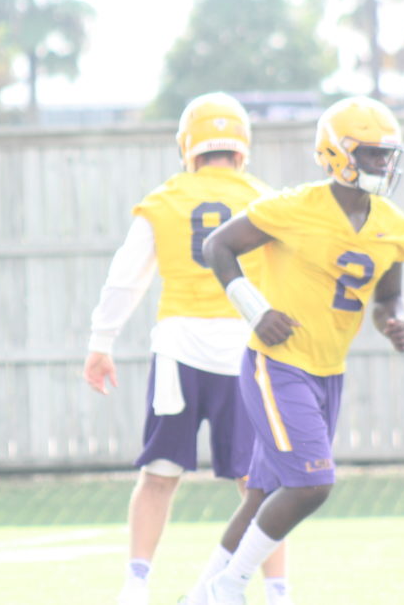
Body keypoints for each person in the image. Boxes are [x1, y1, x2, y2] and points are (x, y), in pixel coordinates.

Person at [185, 96, 404, 604]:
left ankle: (198, 596)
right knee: (312, 483)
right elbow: (217, 247)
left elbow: (387, 295)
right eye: (372, 154)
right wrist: (255, 309)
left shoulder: (392, 226)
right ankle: (227, 588)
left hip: (328, 370)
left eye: (387, 156)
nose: (383, 165)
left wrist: (394, 320)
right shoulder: (295, 207)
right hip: (278, 364)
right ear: (337, 154)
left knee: (261, 496)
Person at [82, 92, 293, 605]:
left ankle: (136, 585)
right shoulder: (266, 198)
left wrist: (100, 341)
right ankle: (277, 592)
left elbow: (125, 277)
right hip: (245, 353)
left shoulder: (164, 199)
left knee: (158, 474)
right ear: (242, 148)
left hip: (179, 352)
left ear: (188, 147)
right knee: (258, 486)